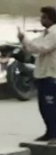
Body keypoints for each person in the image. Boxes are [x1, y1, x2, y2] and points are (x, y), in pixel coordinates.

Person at [18, 6, 56, 144]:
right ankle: (49, 132)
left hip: (51, 74)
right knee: (43, 106)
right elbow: (34, 45)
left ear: (51, 18)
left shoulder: (54, 34)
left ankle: (54, 134)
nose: (41, 20)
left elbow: (42, 48)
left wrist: (26, 41)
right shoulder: (45, 33)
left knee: (50, 105)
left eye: (44, 17)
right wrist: (24, 41)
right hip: (42, 74)